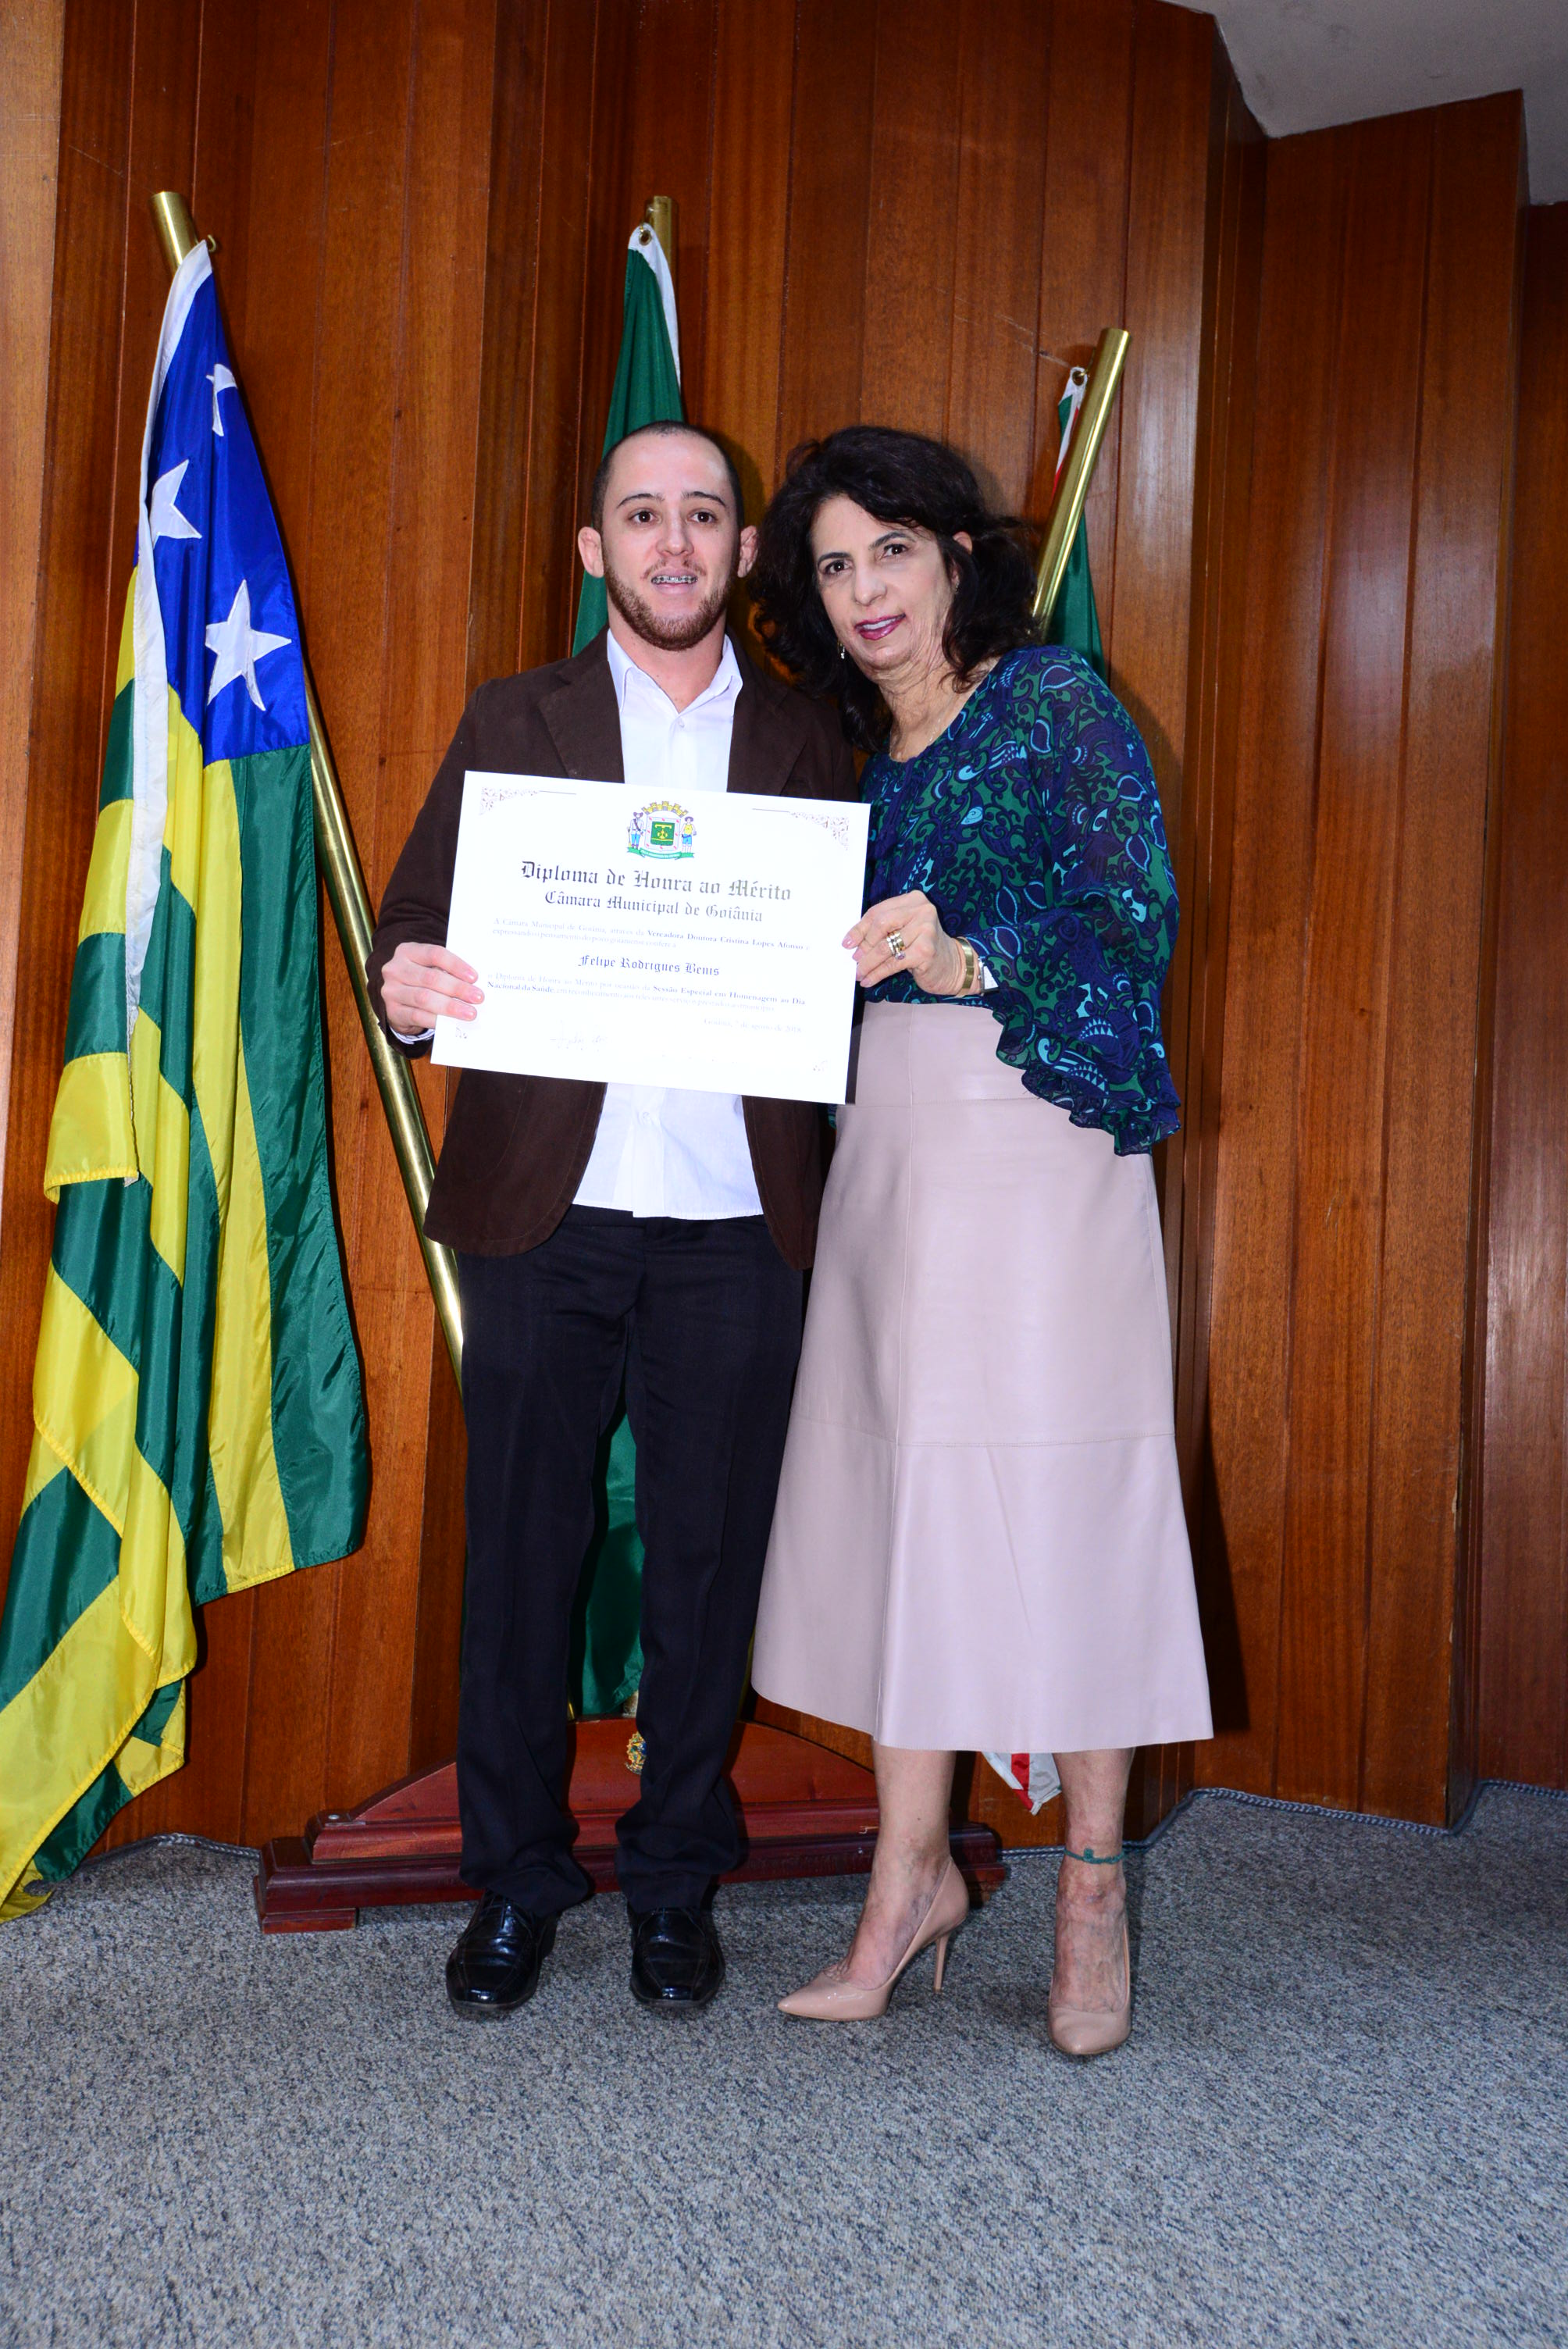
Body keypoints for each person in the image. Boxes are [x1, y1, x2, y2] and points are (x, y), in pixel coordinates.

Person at [368, 422, 857, 2019]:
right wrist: (408, 982)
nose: (672, 542)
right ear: (595, 549)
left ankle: (673, 1881)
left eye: (701, 515)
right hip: (543, 1213)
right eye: (641, 515)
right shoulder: (513, 718)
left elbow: (854, 976)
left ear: (741, 549)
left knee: (707, 1565)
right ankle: (513, 1884)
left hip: (738, 1219)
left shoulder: (813, 736)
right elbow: (413, 921)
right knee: (522, 1559)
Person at [747, 426, 1212, 2054]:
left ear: (955, 554)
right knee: (905, 1504)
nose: (862, 589)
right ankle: (908, 1880)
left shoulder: (1052, 702)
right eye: (830, 564)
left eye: (889, 549)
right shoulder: (831, 755)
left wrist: (966, 954)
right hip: (886, 1152)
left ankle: (1091, 1888)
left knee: (1068, 1498)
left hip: (1036, 1137)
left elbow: (1132, 914)